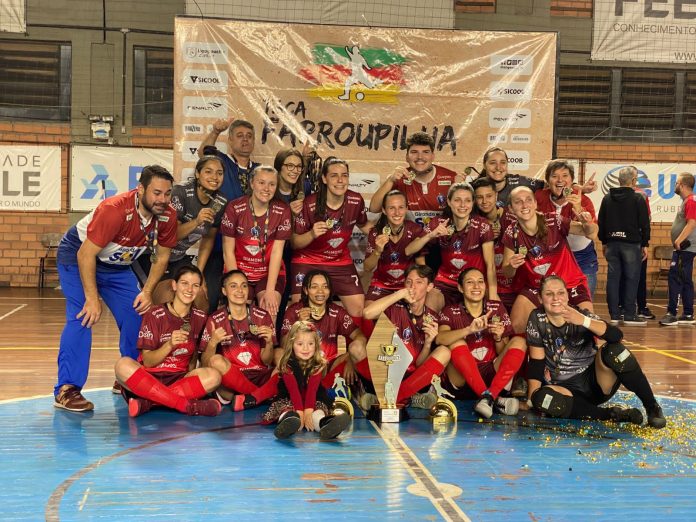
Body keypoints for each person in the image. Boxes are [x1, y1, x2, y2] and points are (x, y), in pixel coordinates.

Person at [54, 165, 178, 412]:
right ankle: (67, 389)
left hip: (116, 265)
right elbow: (85, 255)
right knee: (83, 317)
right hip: (78, 256)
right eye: (156, 193)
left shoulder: (168, 215)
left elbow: (162, 257)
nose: (162, 200)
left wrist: (147, 292)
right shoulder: (114, 210)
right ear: (140, 189)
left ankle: (128, 376)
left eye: (167, 194)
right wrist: (92, 298)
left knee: (138, 313)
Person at [526, 275, 666, 429]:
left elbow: (616, 336)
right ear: (540, 298)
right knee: (541, 399)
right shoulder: (536, 318)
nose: (556, 298)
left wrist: (583, 321)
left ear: (567, 296)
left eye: (561, 293)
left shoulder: (580, 314)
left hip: (596, 383)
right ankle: (611, 414)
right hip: (565, 390)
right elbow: (536, 362)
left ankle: (652, 407)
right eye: (549, 294)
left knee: (616, 351)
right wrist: (531, 399)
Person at [113, 266, 222, 417]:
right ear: (174, 285)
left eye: (195, 285)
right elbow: (148, 362)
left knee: (214, 376)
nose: (189, 289)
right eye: (184, 283)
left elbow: (194, 360)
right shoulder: (154, 314)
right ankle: (186, 405)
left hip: (179, 380)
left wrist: (213, 343)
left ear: (199, 289)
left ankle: (149, 402)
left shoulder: (201, 318)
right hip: (149, 377)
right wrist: (169, 345)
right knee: (122, 365)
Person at [502, 186, 596, 334]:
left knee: (589, 328)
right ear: (511, 209)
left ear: (535, 203)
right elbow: (507, 272)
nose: (524, 205)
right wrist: (512, 266)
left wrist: (587, 223)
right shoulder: (511, 232)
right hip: (536, 286)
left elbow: (591, 234)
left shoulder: (553, 220)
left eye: (528, 200)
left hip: (570, 283)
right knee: (516, 327)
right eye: (518, 202)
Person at [291, 157, 370, 331]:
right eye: (334, 175)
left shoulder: (356, 200)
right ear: (324, 179)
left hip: (339, 261)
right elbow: (295, 242)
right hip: (308, 260)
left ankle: (355, 346)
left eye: (344, 175)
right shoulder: (310, 203)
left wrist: (388, 233)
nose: (340, 180)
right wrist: (311, 234)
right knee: (300, 309)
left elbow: (365, 226)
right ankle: (310, 345)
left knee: (358, 307)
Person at [436, 268, 526, 418]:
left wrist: (498, 338)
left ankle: (489, 396)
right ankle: (493, 399)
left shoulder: (496, 308)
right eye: (470, 282)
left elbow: (503, 352)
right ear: (460, 288)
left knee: (519, 341)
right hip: (462, 379)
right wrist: (469, 330)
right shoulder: (450, 310)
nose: (476, 286)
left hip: (492, 375)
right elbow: (440, 339)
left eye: (480, 282)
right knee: (456, 342)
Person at [362, 265, 451, 409]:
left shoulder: (431, 318)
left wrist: (428, 343)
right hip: (388, 372)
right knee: (357, 348)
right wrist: (399, 294)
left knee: (444, 352)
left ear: (429, 287)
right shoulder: (394, 307)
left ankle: (395, 397)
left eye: (419, 282)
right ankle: (407, 398)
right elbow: (367, 314)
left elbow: (420, 365)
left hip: (413, 377)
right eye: (409, 282)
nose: (412, 286)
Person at [198, 118, 261, 314]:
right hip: (218, 243)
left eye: (249, 136)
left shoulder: (259, 171)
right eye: (240, 136)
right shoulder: (222, 162)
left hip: (248, 248)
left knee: (244, 299)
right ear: (230, 140)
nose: (245, 140)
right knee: (210, 296)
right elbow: (203, 154)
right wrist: (216, 131)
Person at [149, 155, 227, 310]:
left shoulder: (221, 201)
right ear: (197, 173)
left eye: (219, 173)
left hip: (178, 257)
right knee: (163, 297)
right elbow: (171, 236)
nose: (214, 177)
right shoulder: (180, 193)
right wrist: (196, 221)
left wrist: (200, 271)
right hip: (153, 255)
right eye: (208, 172)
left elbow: (208, 238)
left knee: (201, 296)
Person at [280, 270, 371, 391]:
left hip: (329, 366)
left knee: (357, 347)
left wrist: (350, 359)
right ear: (306, 290)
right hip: (302, 366)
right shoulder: (294, 311)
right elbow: (284, 345)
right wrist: (298, 324)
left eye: (325, 287)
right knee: (279, 356)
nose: (320, 291)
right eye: (314, 287)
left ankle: (370, 391)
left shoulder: (337, 311)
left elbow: (360, 337)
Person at [221, 165, 291, 320]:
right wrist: (236, 285)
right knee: (238, 315)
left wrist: (270, 290)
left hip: (267, 274)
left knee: (269, 312)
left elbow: (277, 252)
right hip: (239, 270)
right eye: (261, 182)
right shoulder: (234, 207)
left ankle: (269, 337)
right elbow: (228, 251)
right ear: (252, 183)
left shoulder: (282, 210)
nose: (266, 188)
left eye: (272, 184)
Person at [262, 321, 351, 440]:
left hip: (312, 399)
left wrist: (308, 412)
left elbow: (312, 391)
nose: (306, 348)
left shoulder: (318, 364)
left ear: (316, 345)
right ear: (292, 344)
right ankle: (288, 422)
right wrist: (300, 413)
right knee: (287, 409)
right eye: (300, 344)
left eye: (310, 344)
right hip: (291, 399)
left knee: (317, 412)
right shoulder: (287, 364)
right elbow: (293, 391)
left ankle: (326, 425)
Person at [201, 270, 277, 410]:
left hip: (259, 375)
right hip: (232, 378)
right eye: (233, 286)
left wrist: (269, 343)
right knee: (216, 361)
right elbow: (205, 363)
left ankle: (249, 398)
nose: (240, 290)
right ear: (224, 291)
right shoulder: (215, 319)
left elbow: (267, 361)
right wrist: (213, 342)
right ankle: (262, 396)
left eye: (244, 285)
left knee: (285, 365)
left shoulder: (262, 316)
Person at [427, 183, 498, 311]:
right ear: (449, 201)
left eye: (467, 200)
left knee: (496, 316)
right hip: (445, 282)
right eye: (457, 200)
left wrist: (492, 295)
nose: (462, 205)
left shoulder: (482, 225)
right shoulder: (439, 223)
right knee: (428, 309)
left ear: (473, 203)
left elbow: (491, 265)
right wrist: (430, 236)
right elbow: (413, 249)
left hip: (474, 284)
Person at [363, 190, 443, 304]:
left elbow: (420, 263)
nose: (397, 213)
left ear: (406, 208)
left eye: (401, 207)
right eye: (391, 208)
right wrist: (378, 251)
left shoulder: (415, 229)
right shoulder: (376, 232)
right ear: (384, 210)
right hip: (382, 285)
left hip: (408, 285)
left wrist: (422, 287)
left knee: (427, 303)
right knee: (368, 311)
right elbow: (367, 268)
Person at [535, 160, 599, 297]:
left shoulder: (583, 200)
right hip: (551, 256)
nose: (560, 180)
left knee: (584, 302)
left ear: (571, 180)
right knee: (551, 301)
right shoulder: (539, 197)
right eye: (554, 176)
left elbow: (592, 234)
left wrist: (580, 211)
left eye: (565, 176)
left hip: (581, 257)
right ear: (548, 181)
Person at [598, 166, 650, 326]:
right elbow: (644, 223)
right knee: (631, 279)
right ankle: (629, 314)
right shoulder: (638, 199)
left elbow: (601, 222)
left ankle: (614, 314)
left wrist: (604, 241)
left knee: (613, 279)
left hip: (612, 244)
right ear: (633, 181)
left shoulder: (607, 198)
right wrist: (645, 243)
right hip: (631, 244)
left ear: (619, 180)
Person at [472, 177, 517, 311]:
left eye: (489, 196)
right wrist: (484, 235)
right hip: (487, 286)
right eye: (479, 197)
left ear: (496, 195)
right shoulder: (473, 222)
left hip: (515, 285)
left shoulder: (513, 217)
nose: (484, 201)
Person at [660, 172, 696, 326]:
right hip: (684, 248)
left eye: (676, 183)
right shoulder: (687, 201)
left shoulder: (691, 201)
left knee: (675, 278)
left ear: (682, 185)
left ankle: (672, 314)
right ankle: (688, 314)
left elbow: (692, 223)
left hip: (685, 248)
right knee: (685, 279)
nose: (675, 186)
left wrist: (678, 240)